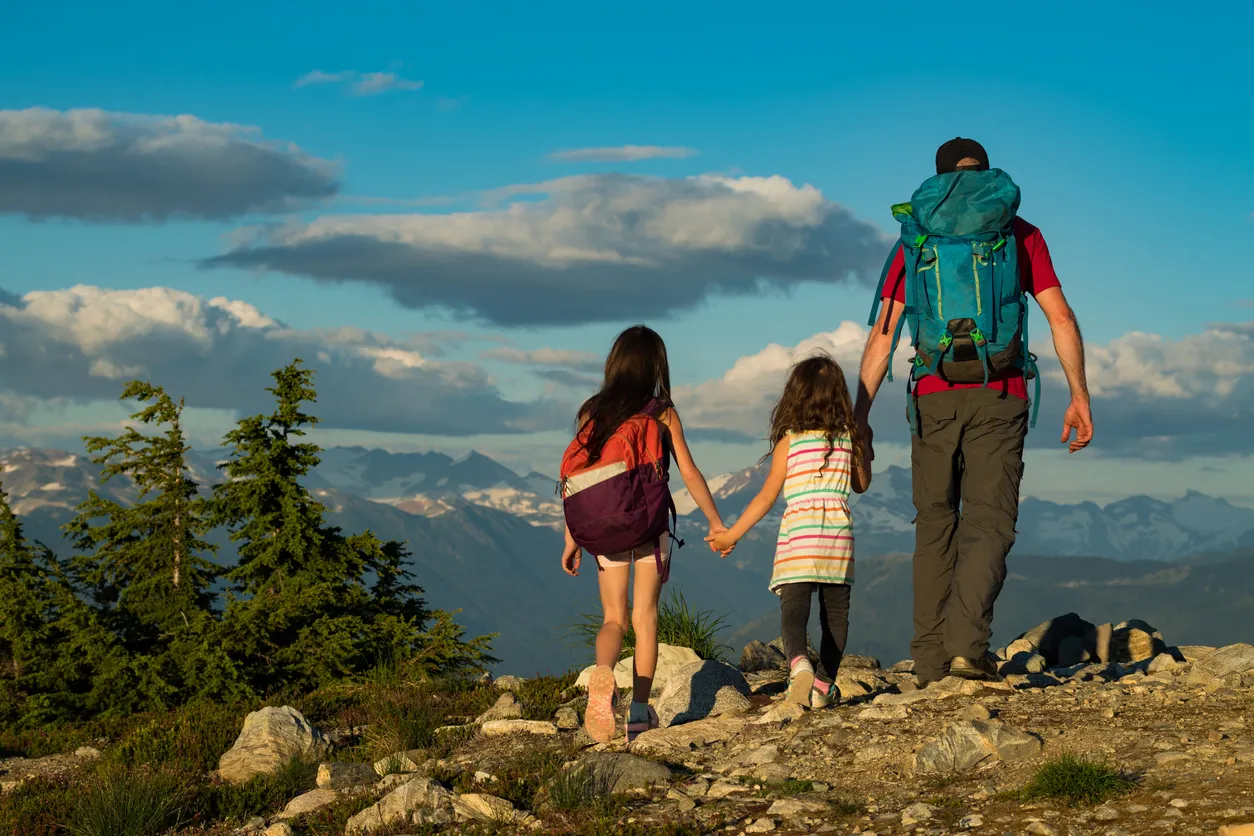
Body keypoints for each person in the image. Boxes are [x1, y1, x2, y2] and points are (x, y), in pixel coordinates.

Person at [854, 137, 1093, 687]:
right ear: (986, 173)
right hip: (1001, 392)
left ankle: (930, 662)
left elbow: (884, 334)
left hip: (932, 394)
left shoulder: (917, 235)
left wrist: (859, 416)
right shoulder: (1018, 232)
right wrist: (1079, 395)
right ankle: (967, 649)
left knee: (934, 524)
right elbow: (1060, 317)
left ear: (938, 178)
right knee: (989, 520)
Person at [560, 325, 728, 743]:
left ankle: (602, 674)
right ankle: (638, 711)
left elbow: (582, 478)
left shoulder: (591, 411)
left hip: (602, 529)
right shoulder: (661, 412)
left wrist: (572, 538)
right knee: (645, 617)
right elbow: (688, 471)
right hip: (649, 529)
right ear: (656, 365)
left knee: (613, 618)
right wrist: (716, 522)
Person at [707, 353, 871, 708]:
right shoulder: (848, 439)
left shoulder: (789, 442)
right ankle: (824, 685)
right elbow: (861, 484)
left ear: (795, 397)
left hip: (799, 540)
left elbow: (766, 498)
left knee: (794, 613)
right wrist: (864, 446)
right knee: (836, 620)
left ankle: (799, 664)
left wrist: (732, 534)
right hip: (837, 545)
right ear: (839, 397)